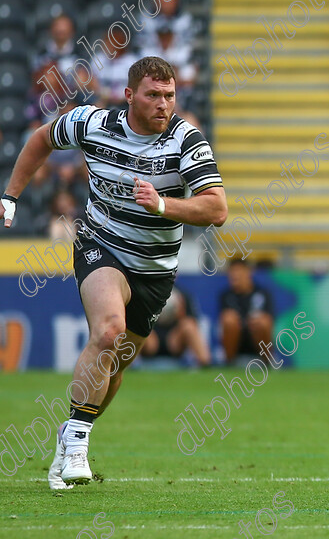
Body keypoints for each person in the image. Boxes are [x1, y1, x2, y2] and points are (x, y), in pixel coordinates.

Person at [0, 56, 227, 489]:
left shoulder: (186, 141)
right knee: (109, 332)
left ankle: (69, 434)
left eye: (169, 95)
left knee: (115, 368)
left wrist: (164, 205)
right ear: (129, 96)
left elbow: (217, 208)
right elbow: (41, 139)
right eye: (153, 95)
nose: (163, 104)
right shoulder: (92, 123)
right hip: (100, 245)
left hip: (154, 270)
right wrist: (10, 195)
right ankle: (79, 447)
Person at [219, 258, 275, 365]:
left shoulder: (262, 293)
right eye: (232, 272)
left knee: (263, 322)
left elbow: (270, 320)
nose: (235, 276)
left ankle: (267, 363)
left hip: (255, 338)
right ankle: (229, 363)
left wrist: (255, 321)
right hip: (237, 339)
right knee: (229, 320)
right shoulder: (226, 296)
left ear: (248, 272)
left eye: (238, 271)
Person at [140, 285, 212, 367]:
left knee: (189, 325)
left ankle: (206, 364)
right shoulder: (145, 291)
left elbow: (193, 321)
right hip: (151, 338)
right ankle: (126, 365)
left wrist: (181, 314)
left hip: (173, 340)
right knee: (136, 325)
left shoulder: (183, 295)